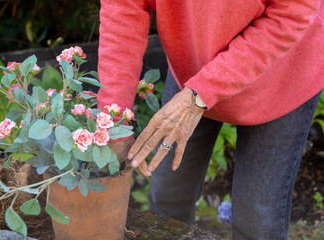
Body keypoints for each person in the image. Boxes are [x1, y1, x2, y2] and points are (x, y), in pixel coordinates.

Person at [97, 0, 324, 239]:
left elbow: (292, 12)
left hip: (281, 72)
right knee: (167, 199)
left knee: (256, 221)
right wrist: (114, 121)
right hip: (194, 67)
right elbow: (123, 8)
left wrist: (201, 94)